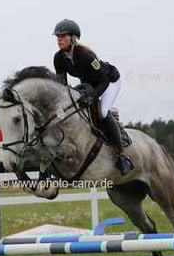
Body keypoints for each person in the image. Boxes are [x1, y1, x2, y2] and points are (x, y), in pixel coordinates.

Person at [52, 19, 133, 175]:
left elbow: (103, 82)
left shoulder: (86, 55)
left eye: (63, 36)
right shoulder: (58, 58)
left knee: (102, 112)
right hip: (88, 84)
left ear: (73, 38)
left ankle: (122, 156)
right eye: (57, 36)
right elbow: (62, 86)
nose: (59, 39)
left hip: (109, 82)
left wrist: (92, 97)